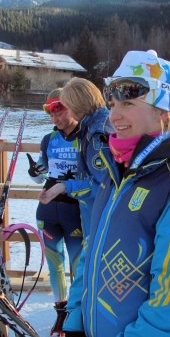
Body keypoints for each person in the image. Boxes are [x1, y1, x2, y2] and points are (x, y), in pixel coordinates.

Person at [58, 50, 170, 337]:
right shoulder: (117, 172)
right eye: (112, 104)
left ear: (162, 112)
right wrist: (75, 324)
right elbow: (92, 249)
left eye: (128, 104)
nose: (114, 115)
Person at [26, 88, 83, 337]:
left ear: (73, 107)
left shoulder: (88, 137)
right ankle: (61, 314)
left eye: (58, 111)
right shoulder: (49, 140)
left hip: (77, 211)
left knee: (78, 266)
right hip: (48, 209)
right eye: (50, 112)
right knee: (55, 264)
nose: (55, 118)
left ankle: (77, 314)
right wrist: (34, 173)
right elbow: (42, 173)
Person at [38, 77, 116, 239]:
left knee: (86, 262)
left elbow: (105, 186)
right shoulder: (100, 123)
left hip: (99, 218)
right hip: (94, 215)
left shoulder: (96, 135)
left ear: (76, 105)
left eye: (66, 106)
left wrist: (66, 187)